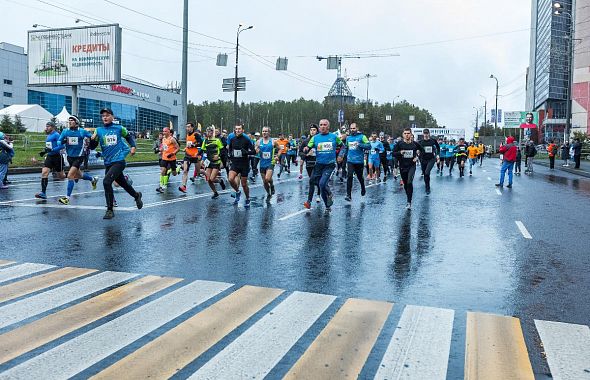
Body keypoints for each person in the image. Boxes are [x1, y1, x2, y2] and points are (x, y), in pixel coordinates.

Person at [89, 108, 143, 219]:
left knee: (106, 182)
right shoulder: (98, 130)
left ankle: (110, 209)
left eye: (107, 115)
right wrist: (92, 140)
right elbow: (92, 146)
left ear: (112, 117)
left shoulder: (119, 128)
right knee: (123, 184)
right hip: (108, 162)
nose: (105, 117)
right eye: (103, 115)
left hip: (118, 161)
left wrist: (133, 146)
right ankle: (136, 195)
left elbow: (128, 137)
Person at [54, 115, 99, 205]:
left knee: (70, 175)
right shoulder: (65, 131)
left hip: (79, 157)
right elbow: (59, 141)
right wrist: (62, 141)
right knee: (79, 175)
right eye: (69, 120)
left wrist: (94, 139)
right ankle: (93, 179)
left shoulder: (82, 132)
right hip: (69, 157)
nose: (70, 122)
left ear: (76, 122)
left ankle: (67, 198)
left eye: (72, 120)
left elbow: (92, 137)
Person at [303, 119, 342, 214]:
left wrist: (341, 155)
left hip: (329, 165)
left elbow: (343, 146)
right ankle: (324, 204)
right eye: (321, 125)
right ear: (319, 127)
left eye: (325, 125)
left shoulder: (334, 137)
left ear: (328, 126)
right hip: (319, 165)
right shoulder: (315, 138)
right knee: (312, 180)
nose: (323, 126)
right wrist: (306, 149)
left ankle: (328, 198)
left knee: (322, 184)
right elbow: (308, 147)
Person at [393, 127, 425, 210]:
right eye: (405, 133)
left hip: (411, 166)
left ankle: (409, 202)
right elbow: (393, 153)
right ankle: (408, 196)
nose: (407, 135)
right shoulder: (399, 144)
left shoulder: (415, 144)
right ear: (403, 135)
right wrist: (400, 152)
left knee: (409, 182)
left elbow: (423, 150)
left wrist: (417, 157)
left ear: (411, 134)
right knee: (405, 184)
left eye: (408, 133)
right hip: (403, 166)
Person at [35, 121, 66, 199]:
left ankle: (72, 176)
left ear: (52, 127)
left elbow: (62, 146)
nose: (46, 128)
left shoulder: (56, 135)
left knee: (61, 176)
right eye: (46, 126)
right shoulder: (48, 136)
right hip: (50, 157)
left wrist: (53, 149)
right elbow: (48, 147)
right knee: (44, 173)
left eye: (48, 126)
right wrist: (44, 151)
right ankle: (43, 193)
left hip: (57, 157)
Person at [227, 124, 255, 208]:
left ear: (242, 130)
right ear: (234, 130)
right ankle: (237, 191)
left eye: (239, 129)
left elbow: (253, 151)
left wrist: (246, 152)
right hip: (235, 163)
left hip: (244, 164)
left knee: (244, 184)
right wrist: (230, 156)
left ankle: (247, 198)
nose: (238, 130)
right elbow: (230, 149)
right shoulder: (232, 139)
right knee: (230, 179)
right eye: (236, 129)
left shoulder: (246, 139)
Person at [344, 123, 370, 201]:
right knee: (349, 176)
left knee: (359, 176)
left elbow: (369, 146)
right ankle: (348, 195)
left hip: (359, 161)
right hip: (350, 160)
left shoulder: (362, 137)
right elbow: (346, 148)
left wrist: (360, 144)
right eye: (351, 129)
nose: (352, 130)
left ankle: (362, 186)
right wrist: (343, 158)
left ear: (357, 128)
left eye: (354, 128)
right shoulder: (348, 138)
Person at [255, 126, 281, 200]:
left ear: (269, 133)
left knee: (267, 178)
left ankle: (272, 185)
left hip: (271, 162)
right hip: (262, 163)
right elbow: (255, 151)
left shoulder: (273, 141)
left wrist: (277, 156)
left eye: (266, 131)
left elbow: (280, 150)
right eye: (263, 131)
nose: (264, 133)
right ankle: (268, 193)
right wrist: (256, 151)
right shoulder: (259, 142)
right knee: (265, 182)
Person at [201, 126, 226, 198]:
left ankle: (220, 181)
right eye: (207, 131)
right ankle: (215, 193)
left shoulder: (217, 140)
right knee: (208, 179)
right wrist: (201, 159)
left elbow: (222, 151)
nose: (208, 133)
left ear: (212, 132)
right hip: (209, 162)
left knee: (212, 179)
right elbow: (203, 151)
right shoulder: (205, 141)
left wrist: (219, 157)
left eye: (210, 131)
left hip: (216, 162)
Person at [300, 124, 321, 203]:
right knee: (313, 181)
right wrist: (306, 155)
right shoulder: (305, 141)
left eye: (314, 130)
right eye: (311, 130)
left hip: (318, 163)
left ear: (317, 131)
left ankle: (315, 197)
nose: (312, 131)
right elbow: (300, 152)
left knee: (313, 180)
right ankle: (320, 191)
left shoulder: (319, 140)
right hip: (309, 164)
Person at [179, 122, 202, 193]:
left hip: (195, 155)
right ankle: (183, 186)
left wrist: (193, 145)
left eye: (189, 127)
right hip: (188, 155)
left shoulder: (196, 134)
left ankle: (207, 175)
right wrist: (186, 148)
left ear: (192, 127)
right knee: (185, 170)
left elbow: (200, 143)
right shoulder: (187, 135)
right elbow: (188, 144)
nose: (187, 128)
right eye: (186, 127)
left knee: (198, 171)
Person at [156, 127, 179, 193]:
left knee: (174, 173)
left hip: (172, 158)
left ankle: (177, 169)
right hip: (164, 157)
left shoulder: (172, 139)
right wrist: (159, 150)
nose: (164, 133)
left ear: (169, 132)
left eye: (165, 131)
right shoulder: (163, 139)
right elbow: (163, 147)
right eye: (163, 131)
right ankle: (162, 185)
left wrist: (172, 154)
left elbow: (177, 148)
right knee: (163, 171)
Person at [418, 128, 440, 194]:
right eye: (425, 133)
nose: (426, 135)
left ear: (429, 134)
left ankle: (428, 188)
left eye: (427, 133)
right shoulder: (420, 142)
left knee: (427, 172)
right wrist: (418, 152)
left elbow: (438, 147)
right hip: (423, 159)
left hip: (431, 159)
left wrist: (438, 155)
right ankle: (426, 185)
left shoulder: (433, 141)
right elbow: (416, 149)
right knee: (425, 174)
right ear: (423, 134)